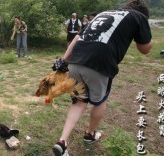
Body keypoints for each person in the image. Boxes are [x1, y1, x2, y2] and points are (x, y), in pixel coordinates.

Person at [52, 0, 153, 155]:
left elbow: (77, 38)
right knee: (100, 102)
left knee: (79, 102)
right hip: (99, 64)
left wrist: (64, 61)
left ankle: (62, 141)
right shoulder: (139, 16)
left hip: (76, 61)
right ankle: (90, 134)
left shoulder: (104, 13)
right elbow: (144, 49)